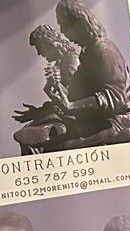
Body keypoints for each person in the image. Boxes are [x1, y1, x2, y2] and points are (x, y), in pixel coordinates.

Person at [44, 0, 130, 151]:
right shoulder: (88, 53)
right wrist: (57, 89)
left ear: (80, 23)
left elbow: (116, 98)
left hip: (118, 124)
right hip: (101, 121)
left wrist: (70, 105)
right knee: (45, 134)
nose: (61, 31)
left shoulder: (103, 49)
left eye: (64, 26)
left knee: (56, 147)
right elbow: (77, 93)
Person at [12, 25, 80, 153]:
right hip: (61, 114)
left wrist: (55, 85)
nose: (39, 53)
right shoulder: (61, 63)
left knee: (28, 137)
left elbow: (73, 98)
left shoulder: (72, 61)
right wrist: (37, 112)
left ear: (50, 43)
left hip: (73, 119)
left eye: (39, 48)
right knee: (27, 132)